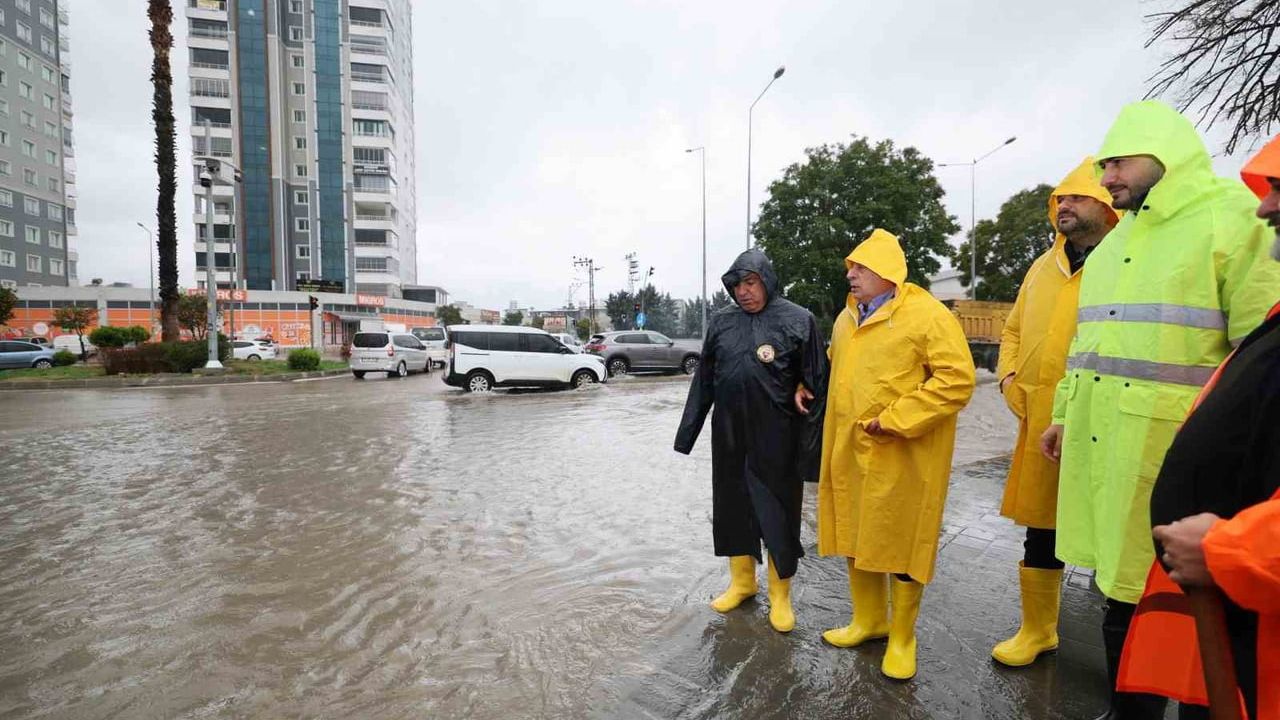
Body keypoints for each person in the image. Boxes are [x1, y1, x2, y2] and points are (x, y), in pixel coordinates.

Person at [1039, 101, 1280, 720]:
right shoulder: (1122, 243)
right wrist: (1065, 411)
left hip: (1191, 461)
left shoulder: (1232, 220)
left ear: (1162, 154)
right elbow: (1086, 343)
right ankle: (1129, 710)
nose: (1107, 177)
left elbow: (1264, 360)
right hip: (1108, 449)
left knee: (1199, 603)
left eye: (1117, 162)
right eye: (1103, 165)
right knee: (1123, 595)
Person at [1115, 134, 1280, 720]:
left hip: (1244, 587)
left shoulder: (1221, 225)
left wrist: (1229, 549)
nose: (1264, 208)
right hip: (1229, 602)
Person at [801, 229, 974, 680]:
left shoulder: (927, 316)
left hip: (904, 451)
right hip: (849, 449)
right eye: (850, 269)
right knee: (857, 533)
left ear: (887, 272)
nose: (851, 275)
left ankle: (902, 636)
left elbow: (956, 380)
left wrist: (897, 418)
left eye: (859, 267)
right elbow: (837, 371)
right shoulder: (845, 319)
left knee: (902, 542)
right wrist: (807, 385)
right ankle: (869, 620)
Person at [991, 158, 1120, 667]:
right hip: (1044, 418)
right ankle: (1038, 630)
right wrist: (1006, 379)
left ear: (1106, 206)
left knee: (1111, 530)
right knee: (1041, 526)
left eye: (1076, 197)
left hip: (1106, 417)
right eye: (1058, 200)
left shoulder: (1129, 257)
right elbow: (1014, 331)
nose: (1063, 206)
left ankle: (1124, 643)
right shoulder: (1041, 267)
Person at [674, 248, 826, 633]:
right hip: (728, 436)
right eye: (736, 285)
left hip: (778, 438)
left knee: (778, 515)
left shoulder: (799, 320)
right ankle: (743, 583)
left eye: (751, 282)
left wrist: (812, 454)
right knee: (733, 510)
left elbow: (819, 385)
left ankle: (780, 595)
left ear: (767, 281)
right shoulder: (723, 323)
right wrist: (687, 434)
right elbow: (704, 381)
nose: (743, 292)